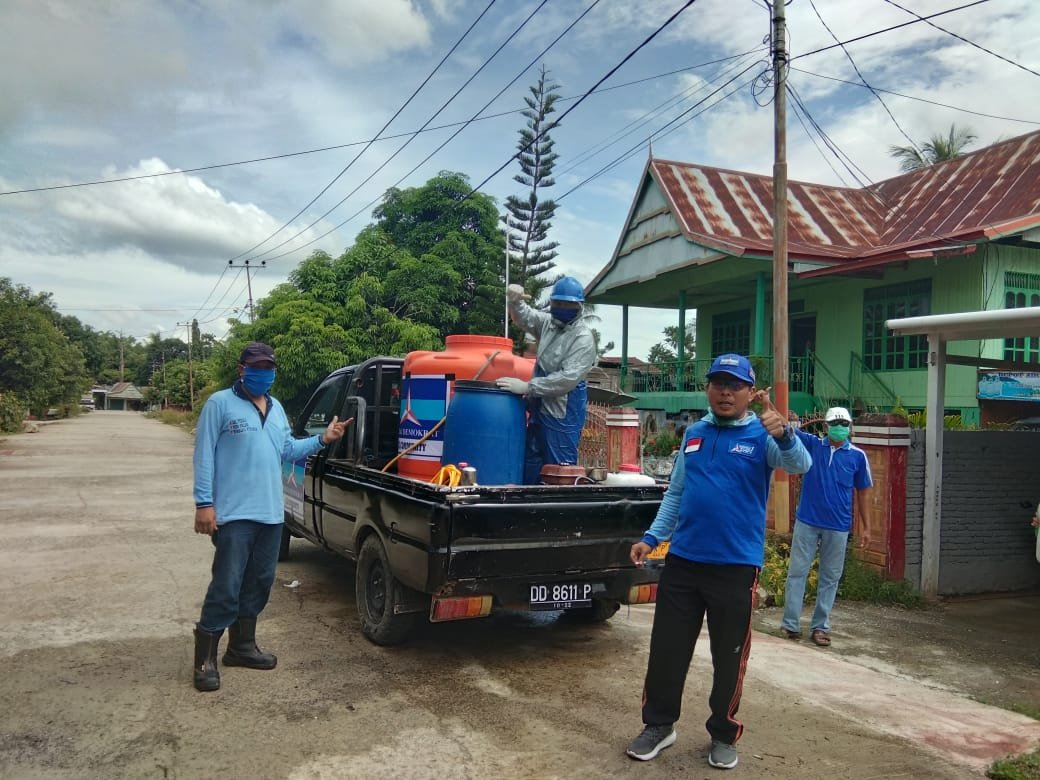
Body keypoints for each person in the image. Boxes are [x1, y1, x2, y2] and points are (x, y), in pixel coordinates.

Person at [626, 354, 811, 770]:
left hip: (735, 566)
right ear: (708, 388)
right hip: (684, 562)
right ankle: (659, 725)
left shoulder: (763, 434)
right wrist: (652, 538)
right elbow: (676, 494)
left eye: (735, 385)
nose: (726, 392)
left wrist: (785, 434)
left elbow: (801, 464)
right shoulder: (694, 433)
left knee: (729, 657)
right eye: (718, 384)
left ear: (750, 392)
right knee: (667, 651)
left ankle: (723, 733)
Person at [191, 341, 350, 692]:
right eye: (256, 367)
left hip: (270, 515)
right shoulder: (219, 403)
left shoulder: (276, 408)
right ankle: (205, 658)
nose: (263, 374)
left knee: (260, 582)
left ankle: (242, 647)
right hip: (233, 514)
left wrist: (323, 439)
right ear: (242, 369)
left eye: (268, 368)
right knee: (226, 585)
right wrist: (204, 504)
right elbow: (203, 456)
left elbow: (288, 450)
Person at [781, 406, 873, 648]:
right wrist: (770, 407)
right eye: (835, 423)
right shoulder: (813, 445)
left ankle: (820, 627)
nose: (840, 427)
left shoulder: (858, 456)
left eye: (844, 424)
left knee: (830, 577)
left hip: (838, 525)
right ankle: (790, 624)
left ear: (850, 427)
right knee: (797, 571)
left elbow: (863, 492)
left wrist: (866, 527)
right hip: (807, 521)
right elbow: (786, 429)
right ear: (825, 426)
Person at [496, 277, 596, 484]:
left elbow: (567, 379)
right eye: (558, 303)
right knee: (531, 461)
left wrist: (528, 387)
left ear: (579, 307)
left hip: (563, 411)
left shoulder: (582, 338)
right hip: (540, 405)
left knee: (559, 469)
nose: (562, 308)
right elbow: (526, 317)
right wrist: (515, 300)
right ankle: (526, 499)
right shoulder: (548, 324)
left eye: (568, 304)